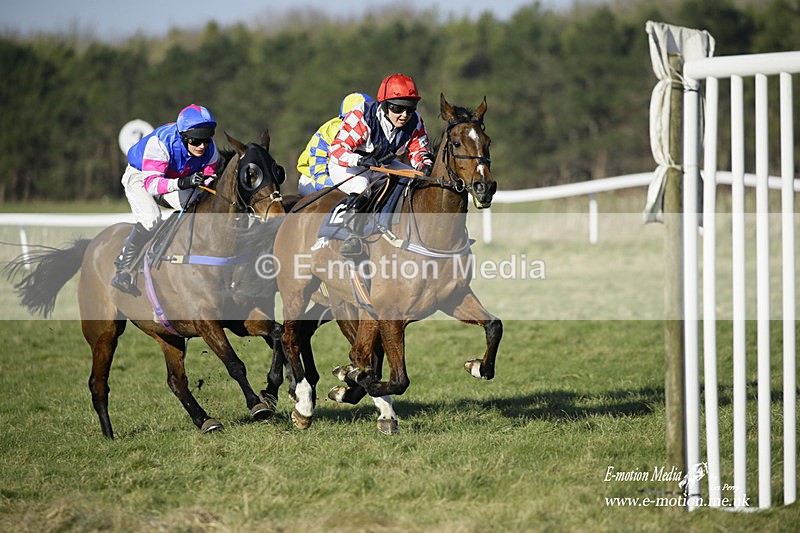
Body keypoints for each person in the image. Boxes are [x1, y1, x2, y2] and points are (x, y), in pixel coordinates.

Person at [110, 104, 220, 294]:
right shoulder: (161, 142)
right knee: (151, 219)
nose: (202, 146)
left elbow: (211, 172)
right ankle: (123, 268)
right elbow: (152, 185)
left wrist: (206, 181)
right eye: (196, 140)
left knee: (198, 208)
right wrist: (184, 183)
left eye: (206, 138)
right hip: (141, 176)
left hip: (173, 178)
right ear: (184, 136)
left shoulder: (210, 148)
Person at [328, 73, 434, 256]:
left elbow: (419, 151)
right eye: (398, 108)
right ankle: (351, 238)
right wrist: (359, 160)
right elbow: (337, 149)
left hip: (381, 164)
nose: (404, 115)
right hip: (347, 164)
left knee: (415, 180)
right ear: (384, 104)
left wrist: (424, 165)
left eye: (410, 109)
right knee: (361, 186)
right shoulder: (362, 116)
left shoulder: (415, 121)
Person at [296, 92, 373, 197]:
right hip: (311, 179)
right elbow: (319, 178)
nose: (355, 125)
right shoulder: (327, 133)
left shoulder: (371, 132)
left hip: (350, 175)